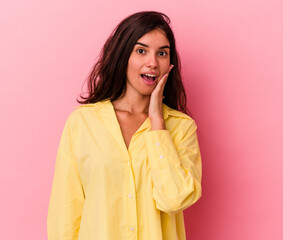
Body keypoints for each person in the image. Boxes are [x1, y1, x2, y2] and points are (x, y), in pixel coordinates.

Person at [47, 11, 202, 240]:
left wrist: (157, 124)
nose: (152, 62)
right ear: (123, 56)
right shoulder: (83, 124)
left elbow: (174, 200)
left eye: (162, 53)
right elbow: (65, 215)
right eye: (141, 51)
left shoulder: (181, 128)